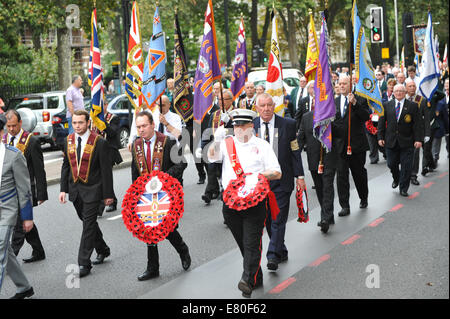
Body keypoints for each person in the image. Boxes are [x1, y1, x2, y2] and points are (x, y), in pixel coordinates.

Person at [208, 108, 281, 298]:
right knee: (243, 243)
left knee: (251, 242)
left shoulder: (262, 145)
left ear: (251, 126)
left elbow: (276, 172)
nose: (239, 129)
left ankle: (247, 280)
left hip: (254, 202)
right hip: (231, 204)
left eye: (243, 125)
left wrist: (255, 177)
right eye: (236, 126)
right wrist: (216, 140)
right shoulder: (227, 144)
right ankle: (255, 274)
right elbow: (210, 157)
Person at [131, 111, 190, 281]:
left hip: (165, 193)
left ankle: (183, 250)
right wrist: (135, 195)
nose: (141, 130)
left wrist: (162, 178)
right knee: (149, 230)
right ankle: (153, 268)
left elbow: (181, 164)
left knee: (168, 229)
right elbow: (135, 172)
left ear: (152, 125)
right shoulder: (136, 146)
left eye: (144, 126)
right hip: (147, 196)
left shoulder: (167, 142)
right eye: (138, 127)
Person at [59, 110, 114, 278]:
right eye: (74, 123)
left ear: (88, 122)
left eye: (80, 123)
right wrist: (63, 189)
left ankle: (84, 263)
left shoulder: (99, 142)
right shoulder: (68, 141)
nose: (77, 126)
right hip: (75, 191)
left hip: (93, 190)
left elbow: (106, 171)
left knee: (87, 225)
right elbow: (66, 165)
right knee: (87, 222)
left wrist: (108, 195)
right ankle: (103, 249)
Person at [254, 93, 306, 270]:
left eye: (269, 105)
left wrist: (300, 176)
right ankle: (281, 249)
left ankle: (272, 256)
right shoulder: (250, 126)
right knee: (268, 219)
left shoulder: (288, 124)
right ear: (257, 108)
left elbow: (295, 151)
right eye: (263, 106)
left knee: (278, 218)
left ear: (274, 106)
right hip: (260, 182)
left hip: (282, 180)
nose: (267, 109)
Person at [3, 110, 48, 263]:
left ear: (20, 123)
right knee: (24, 223)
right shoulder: (3, 140)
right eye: (8, 126)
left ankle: (8, 259)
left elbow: (38, 169)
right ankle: (39, 251)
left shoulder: (31, 141)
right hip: (9, 190)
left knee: (19, 227)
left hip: (25, 190)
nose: (11, 129)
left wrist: (41, 193)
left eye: (14, 126)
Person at [0, 115, 35, 299]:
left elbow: (24, 188)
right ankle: (24, 287)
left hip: (7, 210)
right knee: (7, 251)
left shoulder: (14, 156)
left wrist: (27, 216)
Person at [298, 108, 343, 233]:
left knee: (327, 186)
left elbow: (341, 132)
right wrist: (294, 154)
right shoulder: (306, 117)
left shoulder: (334, 114)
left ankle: (325, 218)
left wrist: (329, 123)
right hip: (313, 158)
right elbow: (301, 137)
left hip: (329, 156)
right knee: (319, 187)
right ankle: (328, 213)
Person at [378, 84, 424, 197]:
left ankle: (403, 188)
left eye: (401, 91)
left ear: (405, 93)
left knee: (406, 166)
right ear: (393, 92)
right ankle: (396, 178)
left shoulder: (412, 106)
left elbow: (417, 124)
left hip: (407, 141)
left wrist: (418, 139)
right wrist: (380, 137)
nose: (398, 93)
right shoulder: (387, 105)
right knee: (391, 163)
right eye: (396, 91)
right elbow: (381, 123)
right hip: (391, 141)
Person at [334, 75, 370, 216]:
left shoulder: (360, 98)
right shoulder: (334, 102)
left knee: (358, 174)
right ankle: (345, 206)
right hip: (340, 146)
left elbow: (366, 116)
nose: (342, 86)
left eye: (345, 83)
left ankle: (363, 197)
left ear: (350, 84)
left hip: (357, 145)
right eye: (340, 83)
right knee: (341, 176)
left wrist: (355, 103)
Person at [201, 90, 234, 204]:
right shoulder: (216, 114)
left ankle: (223, 190)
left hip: (231, 147)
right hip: (217, 147)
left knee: (226, 170)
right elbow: (209, 132)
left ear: (231, 100)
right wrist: (204, 146)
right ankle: (209, 193)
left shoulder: (236, 113)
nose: (221, 102)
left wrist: (229, 121)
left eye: (224, 99)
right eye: (219, 99)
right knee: (211, 167)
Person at [90, 100, 123, 214]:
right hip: (95, 153)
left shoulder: (113, 118)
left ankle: (103, 206)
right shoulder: (92, 119)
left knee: (105, 178)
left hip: (109, 152)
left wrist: (103, 122)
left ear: (105, 105)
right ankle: (109, 201)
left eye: (101, 105)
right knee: (99, 178)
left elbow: (112, 133)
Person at [405, 79, 431, 185]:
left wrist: (427, 134)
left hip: (417, 132)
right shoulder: (402, 99)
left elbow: (427, 119)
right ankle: (404, 174)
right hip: (404, 133)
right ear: (406, 88)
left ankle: (413, 175)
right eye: (409, 86)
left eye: (413, 86)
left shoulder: (422, 100)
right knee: (404, 155)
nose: (411, 88)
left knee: (415, 154)